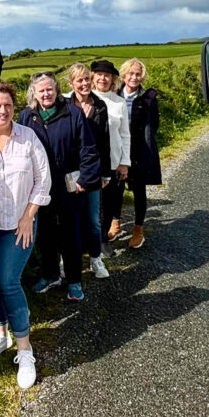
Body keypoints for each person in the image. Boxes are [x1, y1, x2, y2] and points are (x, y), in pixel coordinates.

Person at [0, 81, 51, 389]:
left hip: (20, 223)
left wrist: (29, 216)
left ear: (14, 108)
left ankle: (25, 350)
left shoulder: (28, 137)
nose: (2, 111)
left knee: (7, 281)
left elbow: (43, 180)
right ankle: (0, 333)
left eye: (8, 105)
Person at [18, 71, 101, 301]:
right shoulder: (26, 116)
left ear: (57, 90)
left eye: (49, 89)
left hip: (67, 186)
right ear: (34, 93)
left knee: (70, 234)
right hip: (38, 188)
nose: (46, 94)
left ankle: (74, 281)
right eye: (41, 90)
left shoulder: (73, 113)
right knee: (44, 234)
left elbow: (88, 148)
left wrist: (85, 178)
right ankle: (50, 275)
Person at [67, 63, 110, 279]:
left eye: (86, 79)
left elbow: (105, 141)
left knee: (93, 219)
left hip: (93, 170)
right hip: (69, 171)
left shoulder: (100, 105)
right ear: (71, 83)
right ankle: (66, 259)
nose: (84, 83)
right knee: (69, 219)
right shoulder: (65, 106)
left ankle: (95, 258)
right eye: (79, 80)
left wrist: (106, 173)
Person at [116, 58, 162, 249]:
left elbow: (154, 124)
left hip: (138, 150)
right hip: (117, 149)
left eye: (137, 74)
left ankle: (138, 229)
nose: (134, 77)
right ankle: (115, 223)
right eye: (131, 73)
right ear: (124, 75)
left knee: (138, 189)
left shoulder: (148, 98)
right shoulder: (114, 94)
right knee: (116, 188)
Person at [90, 59, 131, 243]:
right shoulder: (84, 99)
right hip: (90, 163)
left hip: (113, 161)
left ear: (112, 79)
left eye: (107, 75)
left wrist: (124, 162)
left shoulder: (119, 102)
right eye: (99, 75)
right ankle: (88, 242)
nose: (103, 79)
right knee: (90, 206)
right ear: (93, 77)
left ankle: (103, 240)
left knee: (108, 204)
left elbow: (125, 135)